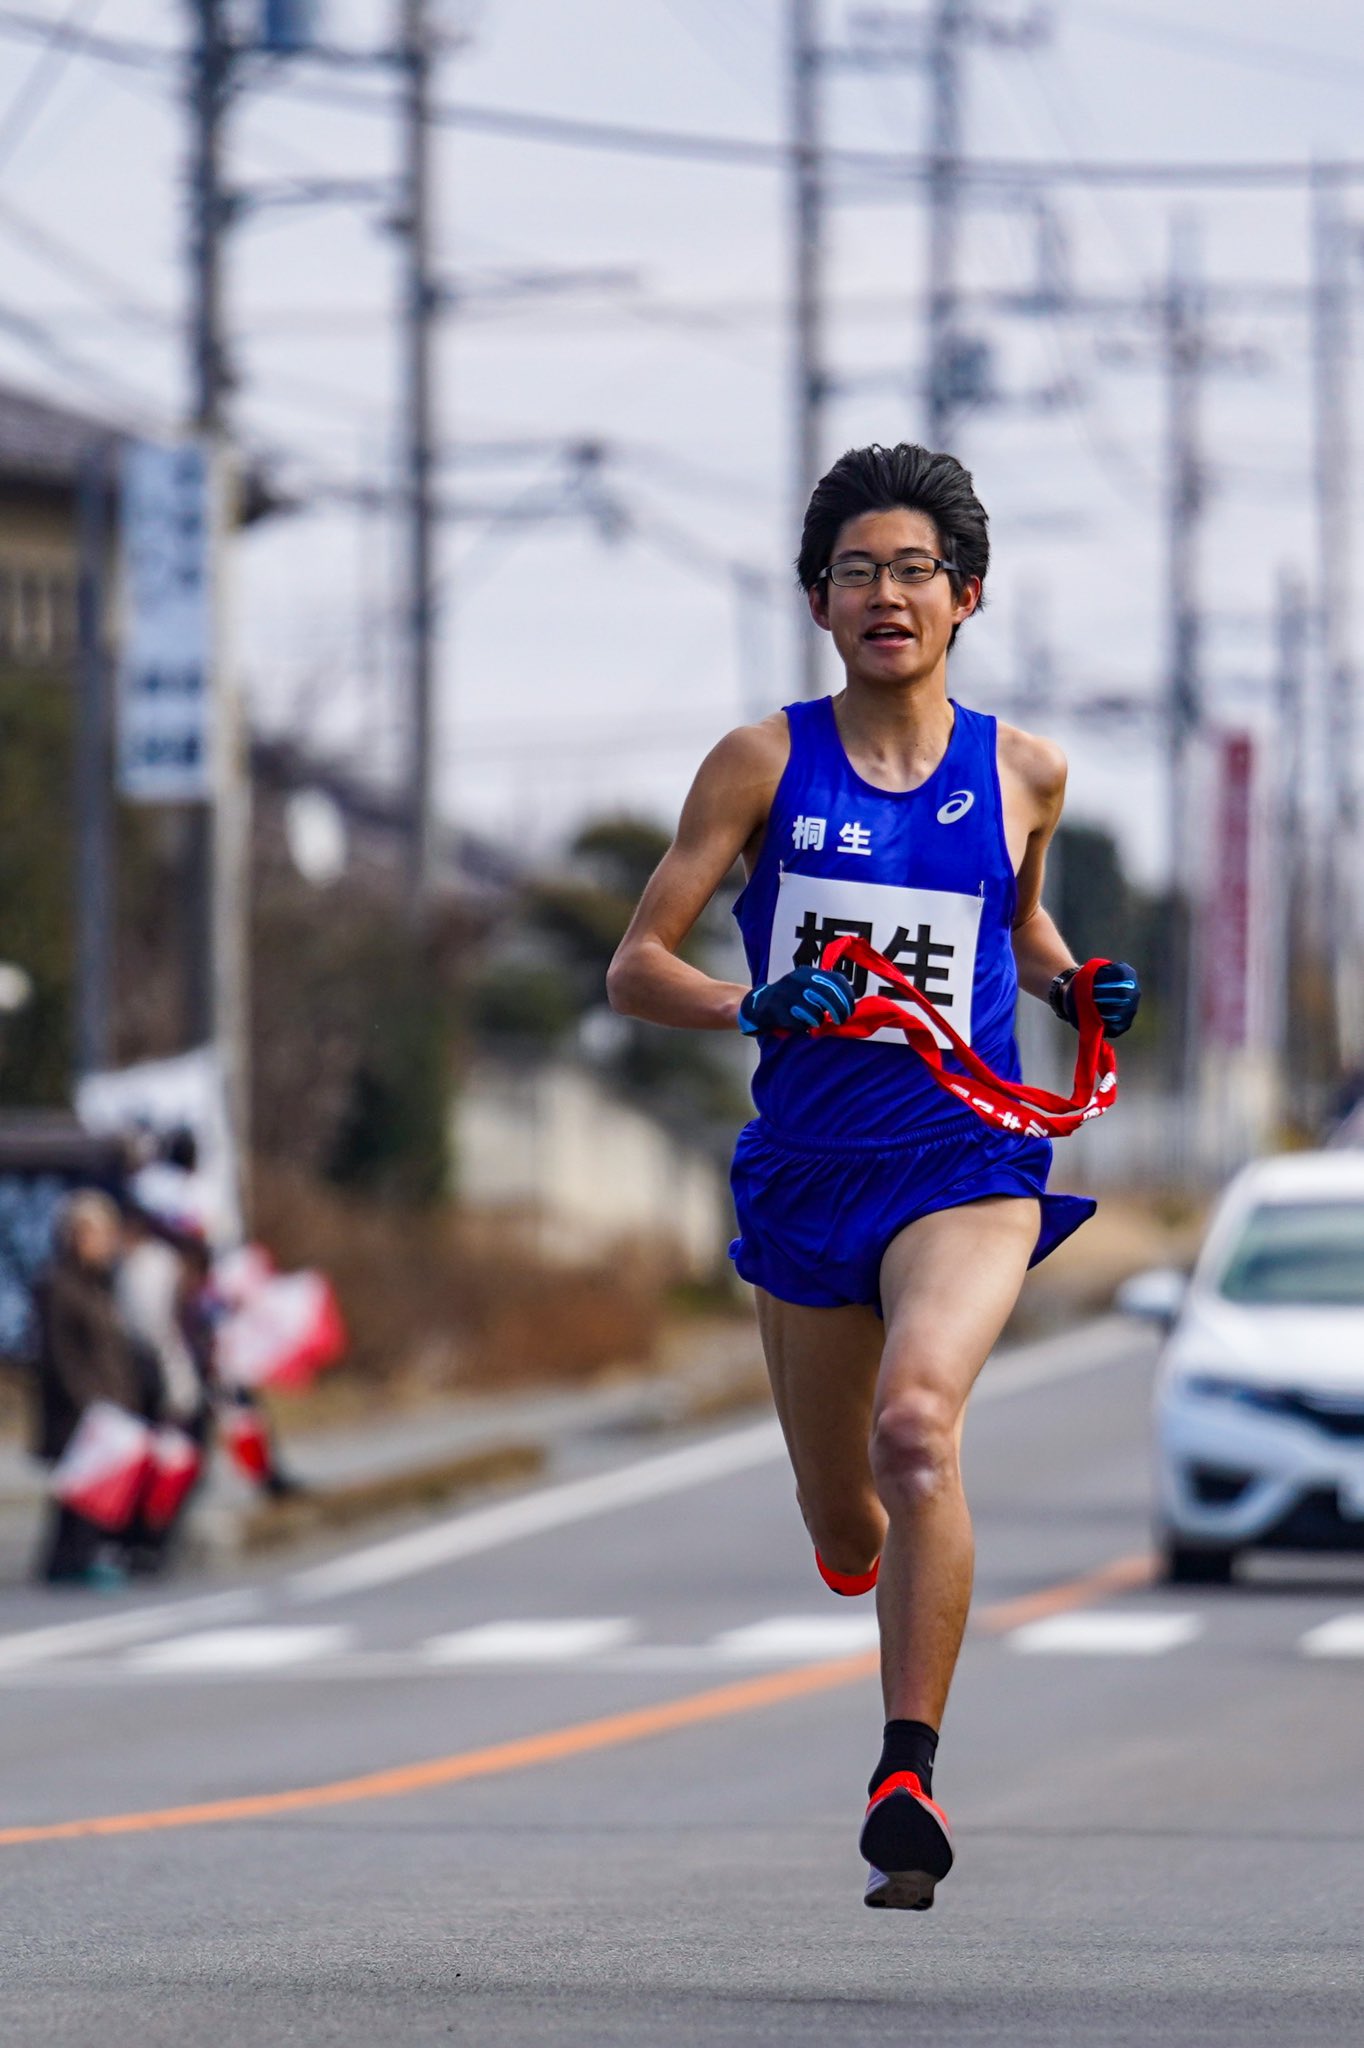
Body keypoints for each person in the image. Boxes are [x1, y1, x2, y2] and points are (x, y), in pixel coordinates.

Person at [607, 443, 1140, 1911]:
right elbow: (636, 965)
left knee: (921, 1431)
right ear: (819, 602)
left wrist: (1082, 984)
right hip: (805, 1170)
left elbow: (1018, 933)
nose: (886, 595)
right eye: (857, 572)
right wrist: (743, 1003)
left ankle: (907, 1765)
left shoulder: (1022, 768)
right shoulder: (763, 762)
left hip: (966, 1158)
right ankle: (856, 1557)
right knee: (847, 1518)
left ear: (966, 596)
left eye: (914, 571)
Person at [29, 1189, 145, 1587]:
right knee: (77, 1490)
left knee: (88, 1492)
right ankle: (69, 1562)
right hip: (77, 1408)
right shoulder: (59, 1285)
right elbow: (61, 1356)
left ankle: (73, 1560)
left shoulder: (101, 1285)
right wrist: (89, 1404)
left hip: (107, 1405)